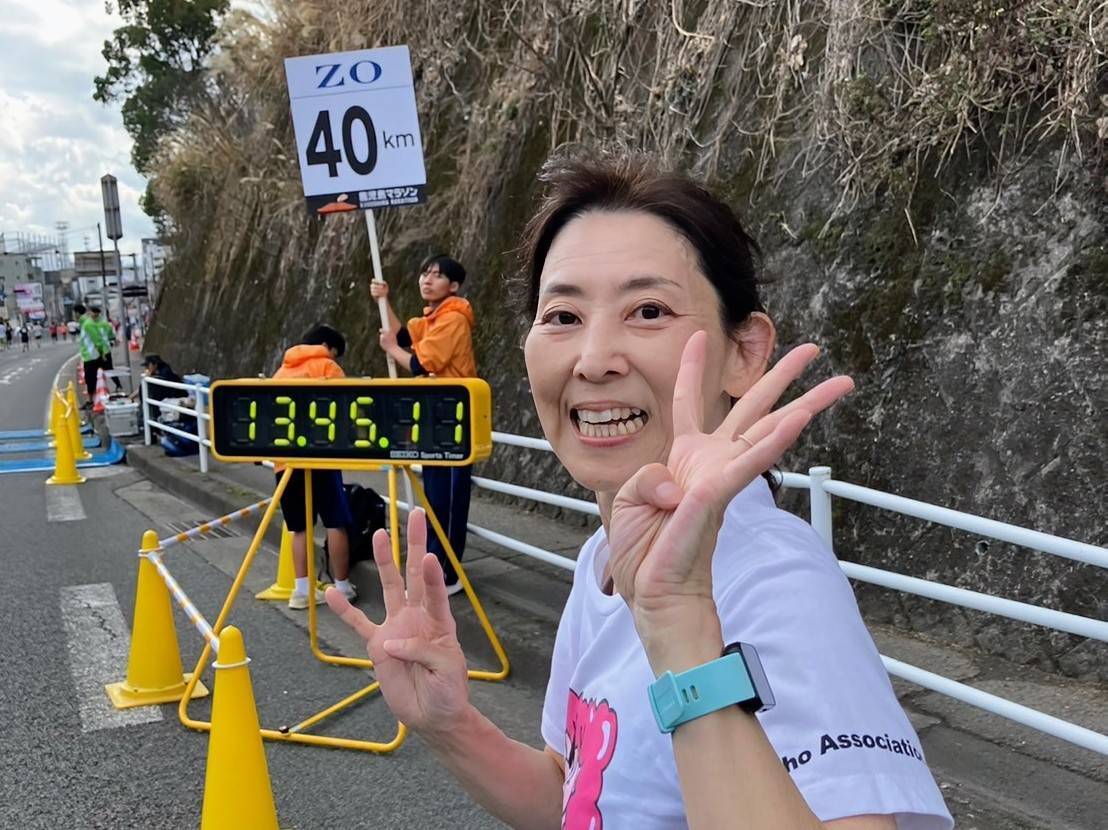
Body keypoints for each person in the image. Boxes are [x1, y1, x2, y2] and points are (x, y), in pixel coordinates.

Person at [328, 155, 953, 829]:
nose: (594, 359)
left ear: (744, 351)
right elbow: (575, 794)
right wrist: (450, 726)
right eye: (562, 315)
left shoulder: (771, 578)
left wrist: (680, 626)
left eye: (648, 310)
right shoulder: (602, 556)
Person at [371, 254, 477, 595]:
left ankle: (448, 574)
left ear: (454, 285)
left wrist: (391, 348)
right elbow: (403, 337)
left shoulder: (453, 319)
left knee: (448, 501)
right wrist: (384, 299)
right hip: (435, 415)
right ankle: (434, 568)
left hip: (453, 418)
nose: (427, 280)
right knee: (433, 499)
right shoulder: (432, 319)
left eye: (437, 275)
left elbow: (420, 363)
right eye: (424, 273)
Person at [273, 324, 357, 609]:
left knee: (298, 527)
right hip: (322, 458)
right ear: (327, 347)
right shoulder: (327, 367)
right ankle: (342, 587)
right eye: (335, 353)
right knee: (335, 521)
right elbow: (346, 411)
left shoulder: (281, 372)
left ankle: (301, 591)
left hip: (286, 461)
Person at [74, 304, 110, 404]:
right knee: (91, 378)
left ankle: (93, 400)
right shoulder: (85, 323)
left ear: (77, 313)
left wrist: (102, 353)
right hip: (89, 355)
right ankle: (93, 399)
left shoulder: (87, 324)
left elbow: (96, 339)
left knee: (91, 378)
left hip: (92, 356)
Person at [96, 313, 124, 392]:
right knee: (109, 369)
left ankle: (101, 388)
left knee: (98, 370)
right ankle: (118, 385)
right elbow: (112, 337)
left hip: (98, 352)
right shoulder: (107, 325)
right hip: (105, 351)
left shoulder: (91, 325)